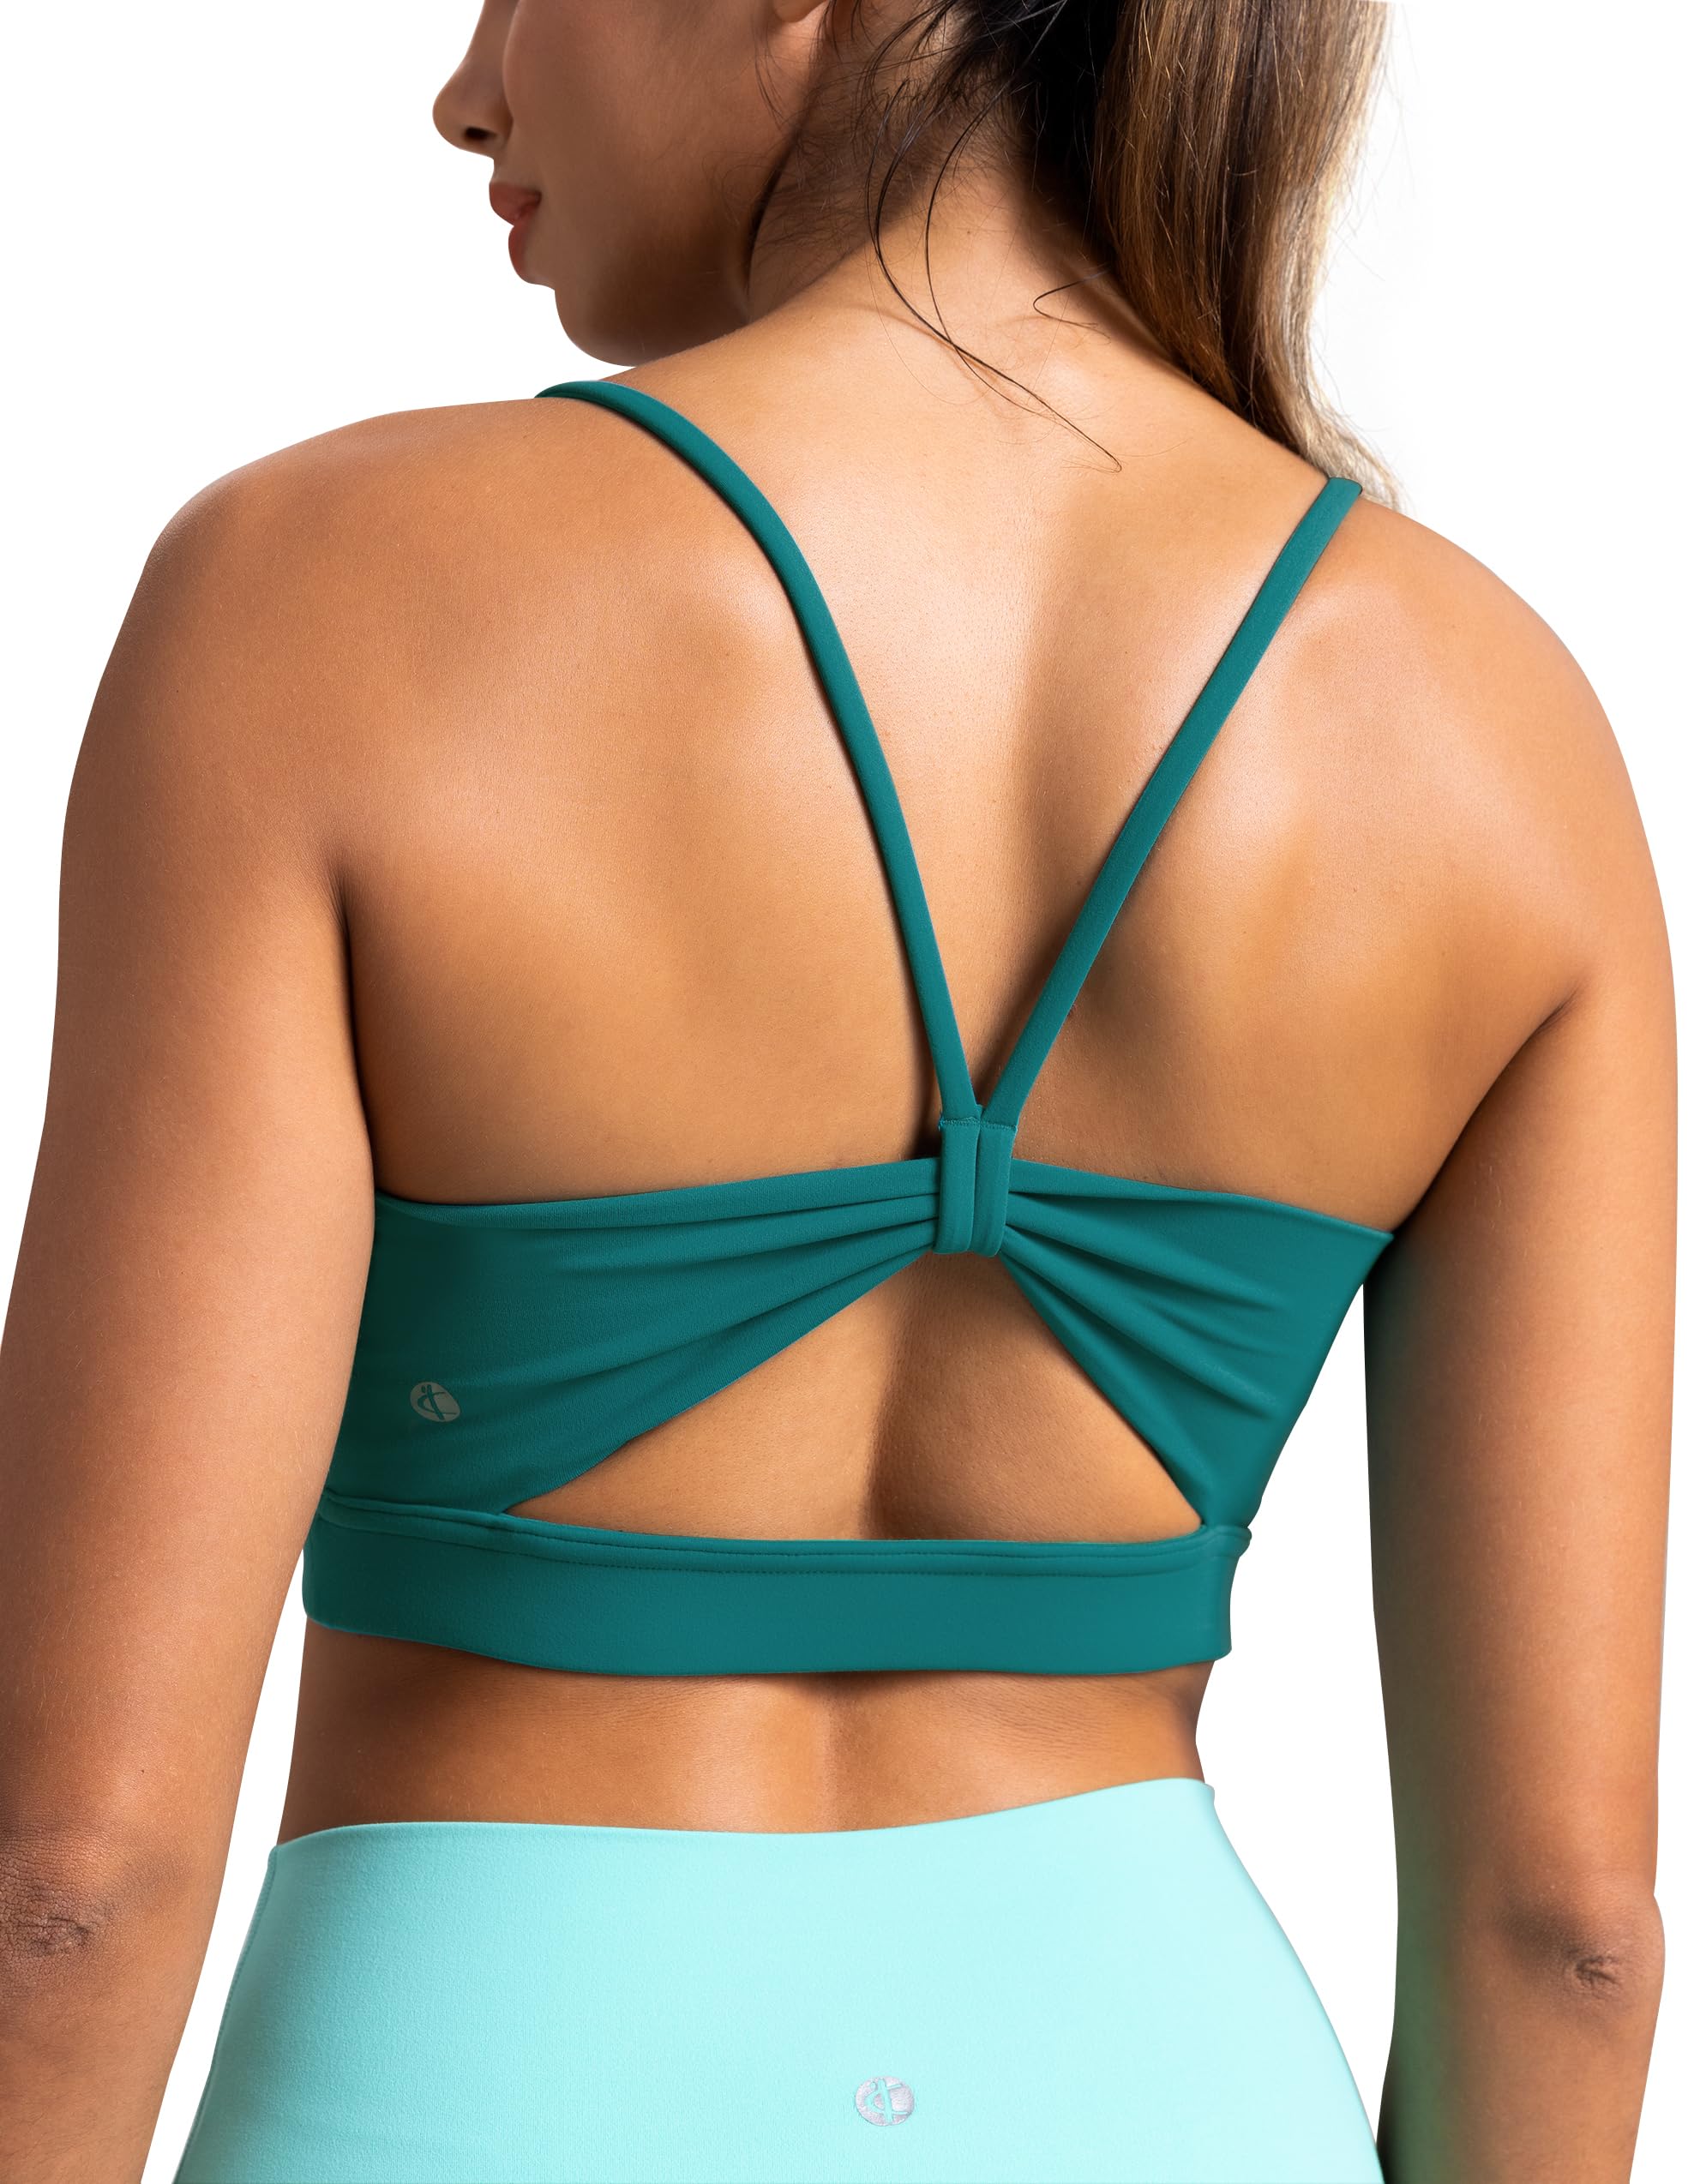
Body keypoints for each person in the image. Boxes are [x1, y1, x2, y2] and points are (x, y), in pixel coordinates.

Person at [0, 3, 1670, 2181]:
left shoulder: (315, 599)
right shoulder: (1499, 729)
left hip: (462, 2089)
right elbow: (1563, 1931)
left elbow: (68, 1871)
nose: (468, 87)